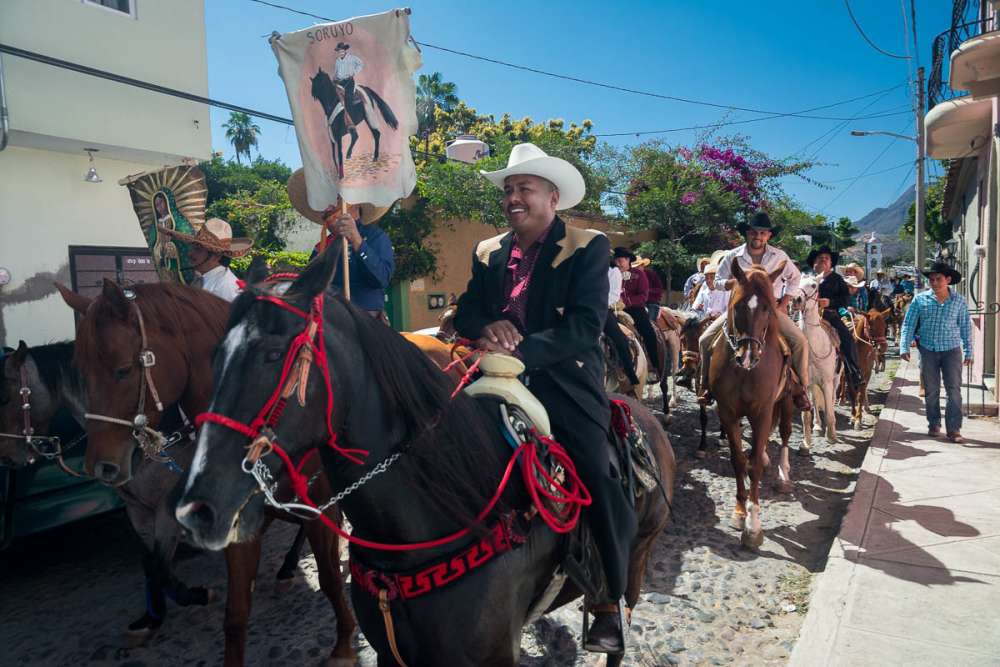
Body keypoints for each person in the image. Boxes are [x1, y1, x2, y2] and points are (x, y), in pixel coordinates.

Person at [453, 142, 636, 653]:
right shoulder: (488, 251)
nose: (513, 197)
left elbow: (583, 327)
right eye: (509, 189)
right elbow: (466, 311)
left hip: (563, 380)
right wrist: (486, 324)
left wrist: (522, 351)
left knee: (597, 472)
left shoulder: (587, 246)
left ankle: (606, 599)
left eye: (524, 188)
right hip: (492, 375)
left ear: (552, 198)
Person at [697, 211, 811, 410]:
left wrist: (784, 303)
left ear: (769, 236)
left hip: (769, 310)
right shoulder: (732, 256)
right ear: (747, 233)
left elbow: (795, 278)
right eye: (754, 233)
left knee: (800, 341)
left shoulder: (779, 256)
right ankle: (706, 386)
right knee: (704, 339)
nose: (758, 237)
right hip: (740, 309)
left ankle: (801, 389)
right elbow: (717, 281)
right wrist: (734, 284)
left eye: (763, 233)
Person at [288, 169, 394, 320]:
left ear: (354, 204)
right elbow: (309, 286)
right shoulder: (321, 247)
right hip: (327, 320)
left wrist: (357, 240)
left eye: (335, 199)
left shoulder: (375, 236)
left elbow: (381, 279)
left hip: (365, 321)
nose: (328, 208)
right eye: (324, 203)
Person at [899, 261, 973, 442]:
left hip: (952, 351)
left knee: (953, 390)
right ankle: (934, 423)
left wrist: (969, 351)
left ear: (947, 280)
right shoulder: (920, 300)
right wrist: (904, 345)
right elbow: (909, 323)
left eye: (938, 279)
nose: (934, 283)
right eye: (931, 279)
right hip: (928, 350)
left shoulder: (959, 301)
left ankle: (954, 429)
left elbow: (965, 326)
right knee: (931, 391)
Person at [158, 218, 251, 302]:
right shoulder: (204, 280)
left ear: (216, 256)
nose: (190, 253)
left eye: (198, 250)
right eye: (193, 248)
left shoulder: (226, 287)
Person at [809, 246, 863, 389]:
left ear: (831, 263)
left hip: (830, 315)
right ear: (814, 262)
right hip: (808, 315)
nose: (823, 261)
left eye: (827, 258)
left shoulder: (837, 279)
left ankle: (854, 371)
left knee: (847, 337)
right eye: (820, 258)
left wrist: (830, 302)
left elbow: (844, 301)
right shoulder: (807, 279)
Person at [616, 247, 661, 372]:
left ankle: (654, 366)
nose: (618, 264)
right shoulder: (612, 273)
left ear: (628, 260)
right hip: (614, 309)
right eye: (616, 261)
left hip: (634, 309)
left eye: (620, 261)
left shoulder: (639, 274)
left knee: (648, 333)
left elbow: (643, 296)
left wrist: (626, 302)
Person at [604, 257, 641, 387]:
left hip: (601, 309)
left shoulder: (613, 271)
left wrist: (594, 303)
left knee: (620, 339)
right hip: (577, 309)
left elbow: (613, 295)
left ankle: (629, 373)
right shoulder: (581, 267)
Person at [333, 42, 364, 130]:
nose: (340, 52)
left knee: (348, 99)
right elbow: (336, 72)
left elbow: (361, 64)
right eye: (339, 51)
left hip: (348, 81)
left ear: (345, 50)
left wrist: (354, 72)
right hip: (339, 81)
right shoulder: (337, 61)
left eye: (342, 50)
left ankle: (350, 121)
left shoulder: (352, 58)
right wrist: (334, 78)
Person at [634, 256, 664, 320]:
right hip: (633, 303)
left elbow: (659, 290)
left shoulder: (651, 275)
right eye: (634, 267)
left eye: (638, 266)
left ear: (642, 266)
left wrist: (646, 291)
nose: (636, 268)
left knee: (649, 321)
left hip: (650, 303)